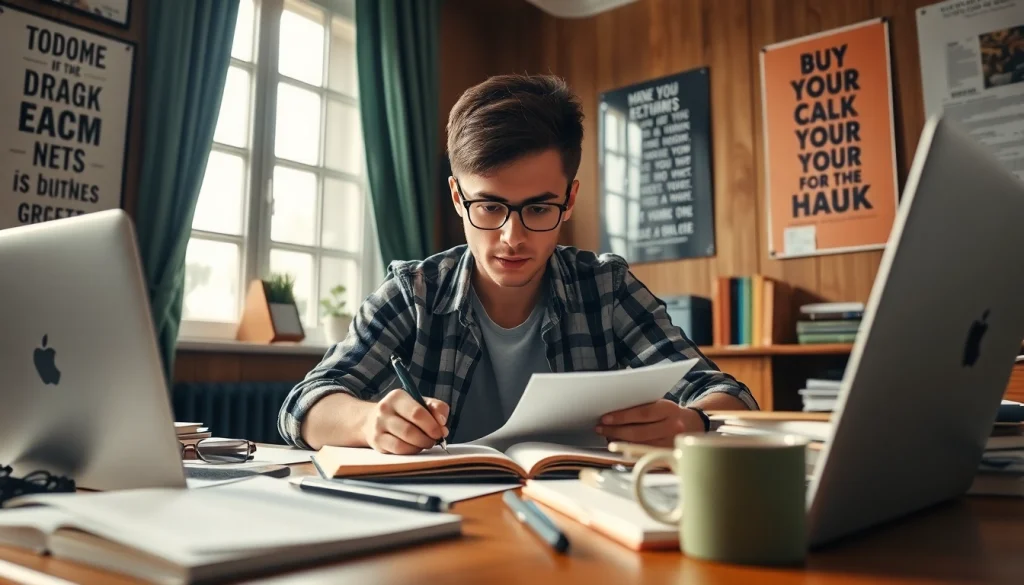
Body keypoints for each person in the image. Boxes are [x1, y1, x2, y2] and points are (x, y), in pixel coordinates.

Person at [278, 74, 757, 454]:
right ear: (457, 197)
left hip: (583, 520)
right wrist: (368, 422)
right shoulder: (415, 291)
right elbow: (303, 404)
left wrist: (693, 420)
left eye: (538, 208)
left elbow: (726, 394)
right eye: (488, 207)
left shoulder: (605, 289)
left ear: (570, 199)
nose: (512, 238)